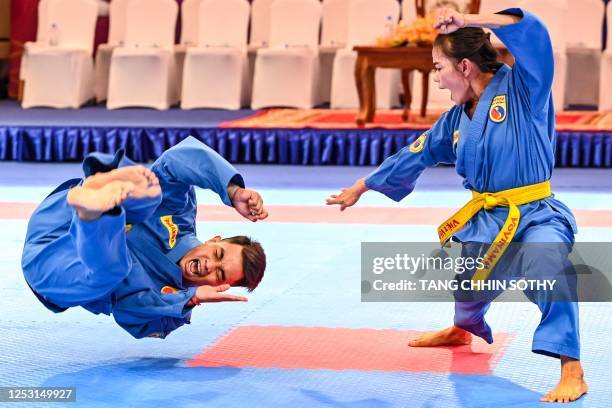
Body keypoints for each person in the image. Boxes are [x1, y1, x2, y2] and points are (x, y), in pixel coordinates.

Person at [326, 7, 587, 403]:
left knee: (546, 262)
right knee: (467, 295)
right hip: (487, 220)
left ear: (464, 66)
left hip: (534, 213)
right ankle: (462, 329)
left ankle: (572, 369)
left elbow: (533, 34)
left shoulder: (525, 89)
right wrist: (362, 185)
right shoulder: (455, 119)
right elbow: (417, 151)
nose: (436, 78)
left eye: (437, 68)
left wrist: (470, 17)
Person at [22, 136, 267, 339]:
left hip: (54, 268)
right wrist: (232, 190)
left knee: (111, 271)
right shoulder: (179, 216)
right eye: (218, 254)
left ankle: (96, 211)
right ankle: (103, 190)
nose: (209, 265)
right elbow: (175, 160)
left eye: (220, 274)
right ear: (215, 239)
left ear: (218, 286)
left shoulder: (174, 311)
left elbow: (128, 314)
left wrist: (187, 300)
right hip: (58, 217)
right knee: (153, 190)